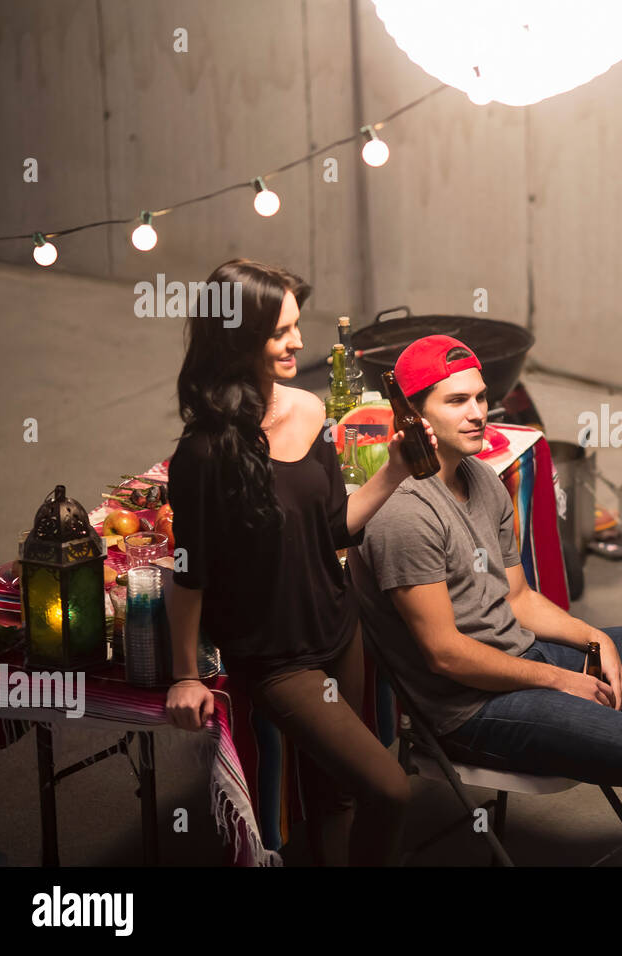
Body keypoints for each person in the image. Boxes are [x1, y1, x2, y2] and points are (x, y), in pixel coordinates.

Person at [348, 335, 622, 866]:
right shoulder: (403, 515)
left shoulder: (482, 478)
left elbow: (516, 597)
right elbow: (444, 653)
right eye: (455, 402)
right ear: (412, 416)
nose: (477, 414)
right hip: (470, 709)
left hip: (524, 660)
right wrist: (562, 681)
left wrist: (595, 636)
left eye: (479, 397)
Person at [164, 258, 428, 866]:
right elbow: (189, 571)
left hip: (340, 629)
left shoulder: (310, 411)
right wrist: (185, 674)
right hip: (280, 660)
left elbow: (333, 527)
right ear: (237, 337)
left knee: (336, 800)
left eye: (296, 325)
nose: (299, 341)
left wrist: (394, 470)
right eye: (281, 330)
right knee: (388, 789)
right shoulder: (204, 455)